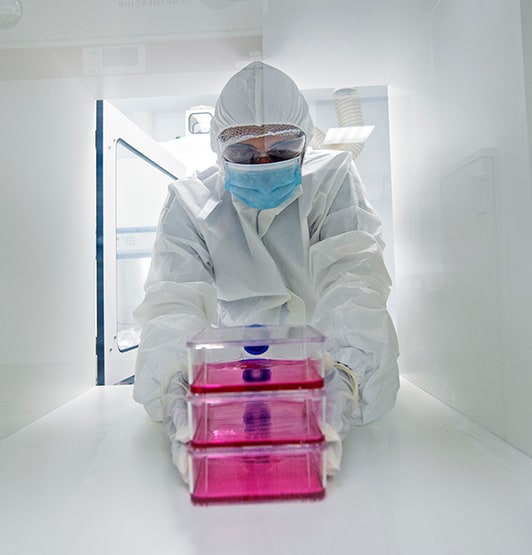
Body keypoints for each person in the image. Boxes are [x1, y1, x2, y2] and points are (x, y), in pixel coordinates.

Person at [133, 61, 400, 479]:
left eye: (281, 151)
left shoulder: (331, 181)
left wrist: (346, 374)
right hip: (232, 379)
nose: (262, 163)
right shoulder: (189, 202)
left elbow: (353, 278)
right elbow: (173, 300)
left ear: (306, 142)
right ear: (218, 148)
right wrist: (174, 385)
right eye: (242, 152)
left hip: (321, 361)